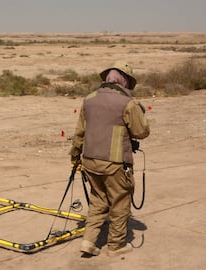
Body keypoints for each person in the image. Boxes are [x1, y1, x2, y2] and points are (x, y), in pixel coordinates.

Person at [69, 61, 150, 257]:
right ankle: (116, 245)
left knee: (98, 200)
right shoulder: (127, 103)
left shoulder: (89, 99)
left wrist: (75, 157)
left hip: (89, 160)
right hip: (115, 164)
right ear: (125, 81)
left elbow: (79, 132)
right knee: (120, 203)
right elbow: (142, 132)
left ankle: (88, 241)